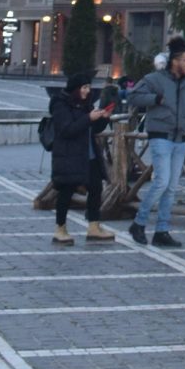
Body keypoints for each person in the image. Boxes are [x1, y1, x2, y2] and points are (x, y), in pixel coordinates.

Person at [126, 37, 185, 249]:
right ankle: (138, 223)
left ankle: (162, 231)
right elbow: (134, 96)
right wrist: (155, 100)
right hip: (161, 136)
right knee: (161, 182)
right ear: (175, 61)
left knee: (171, 187)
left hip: (180, 138)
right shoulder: (155, 79)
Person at [46, 75, 116, 245]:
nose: (87, 91)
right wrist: (88, 118)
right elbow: (67, 129)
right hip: (69, 155)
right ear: (75, 89)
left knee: (96, 187)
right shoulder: (60, 105)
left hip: (88, 155)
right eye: (84, 88)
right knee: (67, 190)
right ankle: (60, 229)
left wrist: (104, 117)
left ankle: (94, 226)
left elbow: (93, 129)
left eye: (88, 87)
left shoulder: (86, 104)